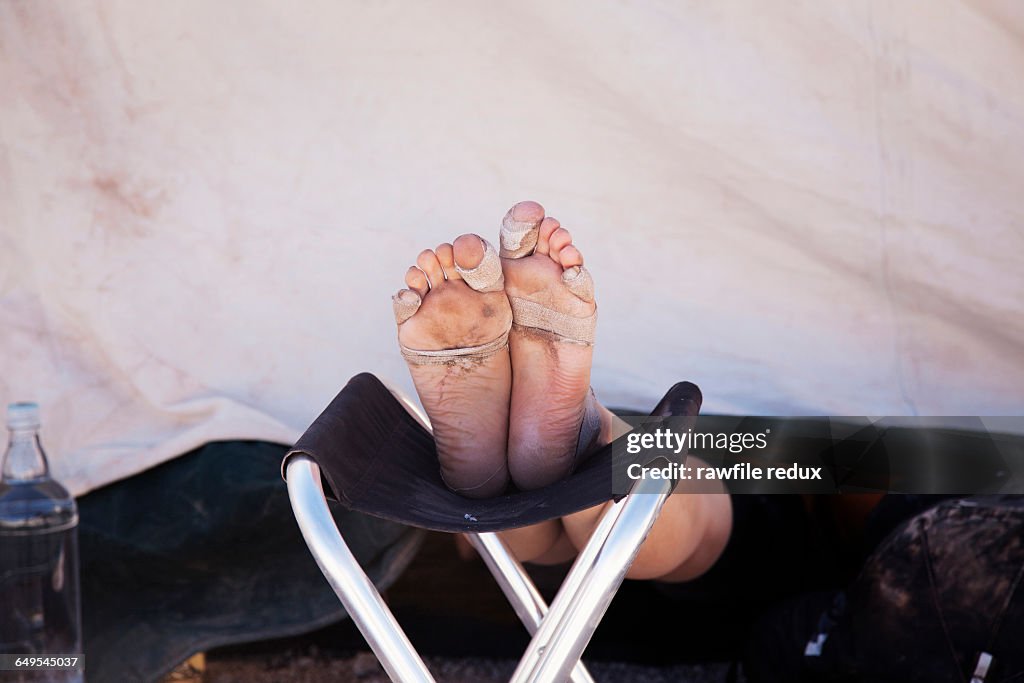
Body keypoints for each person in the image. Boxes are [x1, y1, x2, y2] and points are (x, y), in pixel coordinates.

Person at [390, 200, 732, 581]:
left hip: (531, 582)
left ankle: (486, 486)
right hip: (587, 600)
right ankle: (587, 451)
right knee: (705, 519)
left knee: (528, 520)